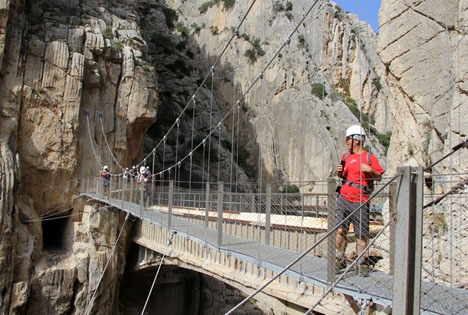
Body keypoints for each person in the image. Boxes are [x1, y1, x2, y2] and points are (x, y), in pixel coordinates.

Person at [335, 125, 385, 276]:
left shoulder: (370, 158)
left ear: (356, 140)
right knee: (340, 230)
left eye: (348, 139)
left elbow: (379, 176)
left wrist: (369, 170)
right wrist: (339, 174)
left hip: (361, 200)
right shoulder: (345, 157)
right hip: (344, 197)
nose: (346, 142)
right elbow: (344, 176)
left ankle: (361, 262)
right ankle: (339, 258)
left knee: (361, 234)